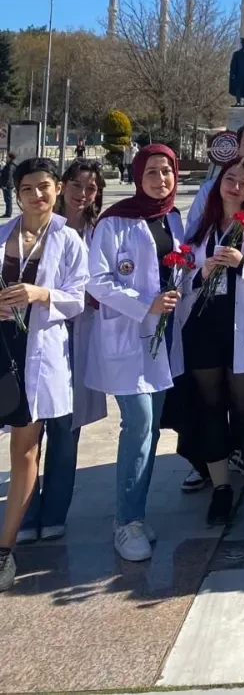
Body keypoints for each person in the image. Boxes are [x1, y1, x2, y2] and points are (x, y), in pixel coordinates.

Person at [177, 157, 244, 541]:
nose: (236, 186)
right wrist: (200, 273)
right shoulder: (201, 228)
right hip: (204, 329)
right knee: (211, 412)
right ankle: (221, 489)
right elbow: (180, 275)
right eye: (230, 178)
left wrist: (243, 264)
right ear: (219, 182)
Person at [86, 145, 185, 562]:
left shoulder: (173, 217)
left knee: (152, 427)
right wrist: (146, 304)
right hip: (127, 336)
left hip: (163, 338)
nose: (160, 180)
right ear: (137, 176)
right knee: (139, 423)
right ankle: (126, 521)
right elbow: (96, 280)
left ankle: (136, 513)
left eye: (166, 172)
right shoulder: (115, 220)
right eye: (151, 173)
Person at [0, 158, 89, 592]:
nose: (37, 195)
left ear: (57, 189)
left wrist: (41, 293)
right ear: (17, 194)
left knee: (25, 451)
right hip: (2, 346)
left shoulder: (68, 239)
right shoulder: (2, 234)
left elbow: (78, 298)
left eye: (44, 187)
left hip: (35, 353)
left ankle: (5, 547)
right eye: (28, 188)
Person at [18, 160, 107, 545]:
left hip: (79, 336)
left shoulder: (98, 230)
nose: (82, 193)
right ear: (62, 185)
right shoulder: (28, 229)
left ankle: (54, 512)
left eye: (91, 187)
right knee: (28, 430)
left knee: (66, 429)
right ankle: (25, 512)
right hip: (35, 336)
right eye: (76, 184)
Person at [1, 152, 16, 218]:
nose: (6, 158)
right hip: (8, 185)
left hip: (7, 186)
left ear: (10, 158)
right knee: (7, 199)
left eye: (7, 157)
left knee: (8, 200)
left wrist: (5, 185)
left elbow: (9, 176)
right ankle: (8, 213)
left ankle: (8, 213)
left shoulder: (10, 166)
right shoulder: (10, 165)